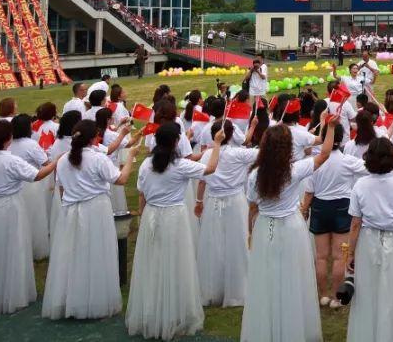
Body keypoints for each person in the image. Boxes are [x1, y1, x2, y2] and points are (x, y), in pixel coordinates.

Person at [126, 121, 225, 340]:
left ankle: (155, 311)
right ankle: (172, 312)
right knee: (176, 262)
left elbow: (142, 195)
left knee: (154, 262)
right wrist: (217, 144)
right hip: (173, 217)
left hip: (152, 215)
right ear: (176, 142)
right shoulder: (179, 165)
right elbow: (210, 169)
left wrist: (143, 219)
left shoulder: (146, 165)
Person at [241, 118, 336, 342]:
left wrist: (251, 233)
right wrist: (330, 129)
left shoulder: (256, 175)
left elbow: (252, 208)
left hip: (265, 228)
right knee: (293, 276)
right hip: (291, 228)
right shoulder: (293, 170)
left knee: (267, 278)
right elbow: (324, 154)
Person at [42, 119, 138, 321]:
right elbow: (120, 180)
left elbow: (61, 189)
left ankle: (72, 298)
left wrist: (69, 205)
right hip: (95, 209)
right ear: (94, 138)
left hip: (72, 209)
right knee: (96, 251)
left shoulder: (63, 160)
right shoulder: (97, 159)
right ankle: (93, 300)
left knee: (73, 252)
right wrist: (130, 158)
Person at [0, 121, 59, 317]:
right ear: (7, 140)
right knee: (14, 245)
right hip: (9, 205)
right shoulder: (10, 160)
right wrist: (57, 162)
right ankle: (13, 293)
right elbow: (37, 175)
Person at [346, 137, 393, 342]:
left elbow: (355, 223)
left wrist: (351, 253)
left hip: (370, 239)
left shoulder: (361, 185)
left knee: (370, 289)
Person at [303, 115, 367, 309]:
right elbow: (370, 169)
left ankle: (323, 295)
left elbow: (309, 191)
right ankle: (337, 298)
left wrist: (304, 209)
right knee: (340, 256)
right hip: (342, 207)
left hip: (320, 207)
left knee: (321, 256)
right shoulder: (348, 161)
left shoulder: (315, 161)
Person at [195, 117, 259, 307]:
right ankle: (233, 288)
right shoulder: (237, 154)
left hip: (217, 201)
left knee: (216, 244)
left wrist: (199, 201)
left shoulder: (209, 155)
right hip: (231, 202)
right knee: (236, 242)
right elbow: (263, 154)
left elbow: (201, 181)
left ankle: (219, 288)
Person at [8, 114, 53, 260]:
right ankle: (35, 247)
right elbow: (45, 163)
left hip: (13, 183)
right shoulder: (31, 144)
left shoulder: (9, 143)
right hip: (30, 184)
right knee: (34, 216)